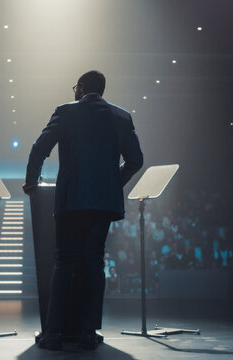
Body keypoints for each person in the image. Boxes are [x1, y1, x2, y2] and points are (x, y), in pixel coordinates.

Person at [23, 70, 143, 350]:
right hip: (102, 204)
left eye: (75, 86)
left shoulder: (65, 111)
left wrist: (31, 181)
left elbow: (39, 148)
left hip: (71, 201)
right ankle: (88, 332)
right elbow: (136, 160)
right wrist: (113, 183)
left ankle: (54, 333)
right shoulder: (121, 117)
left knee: (64, 262)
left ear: (83, 87)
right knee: (93, 263)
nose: (73, 91)